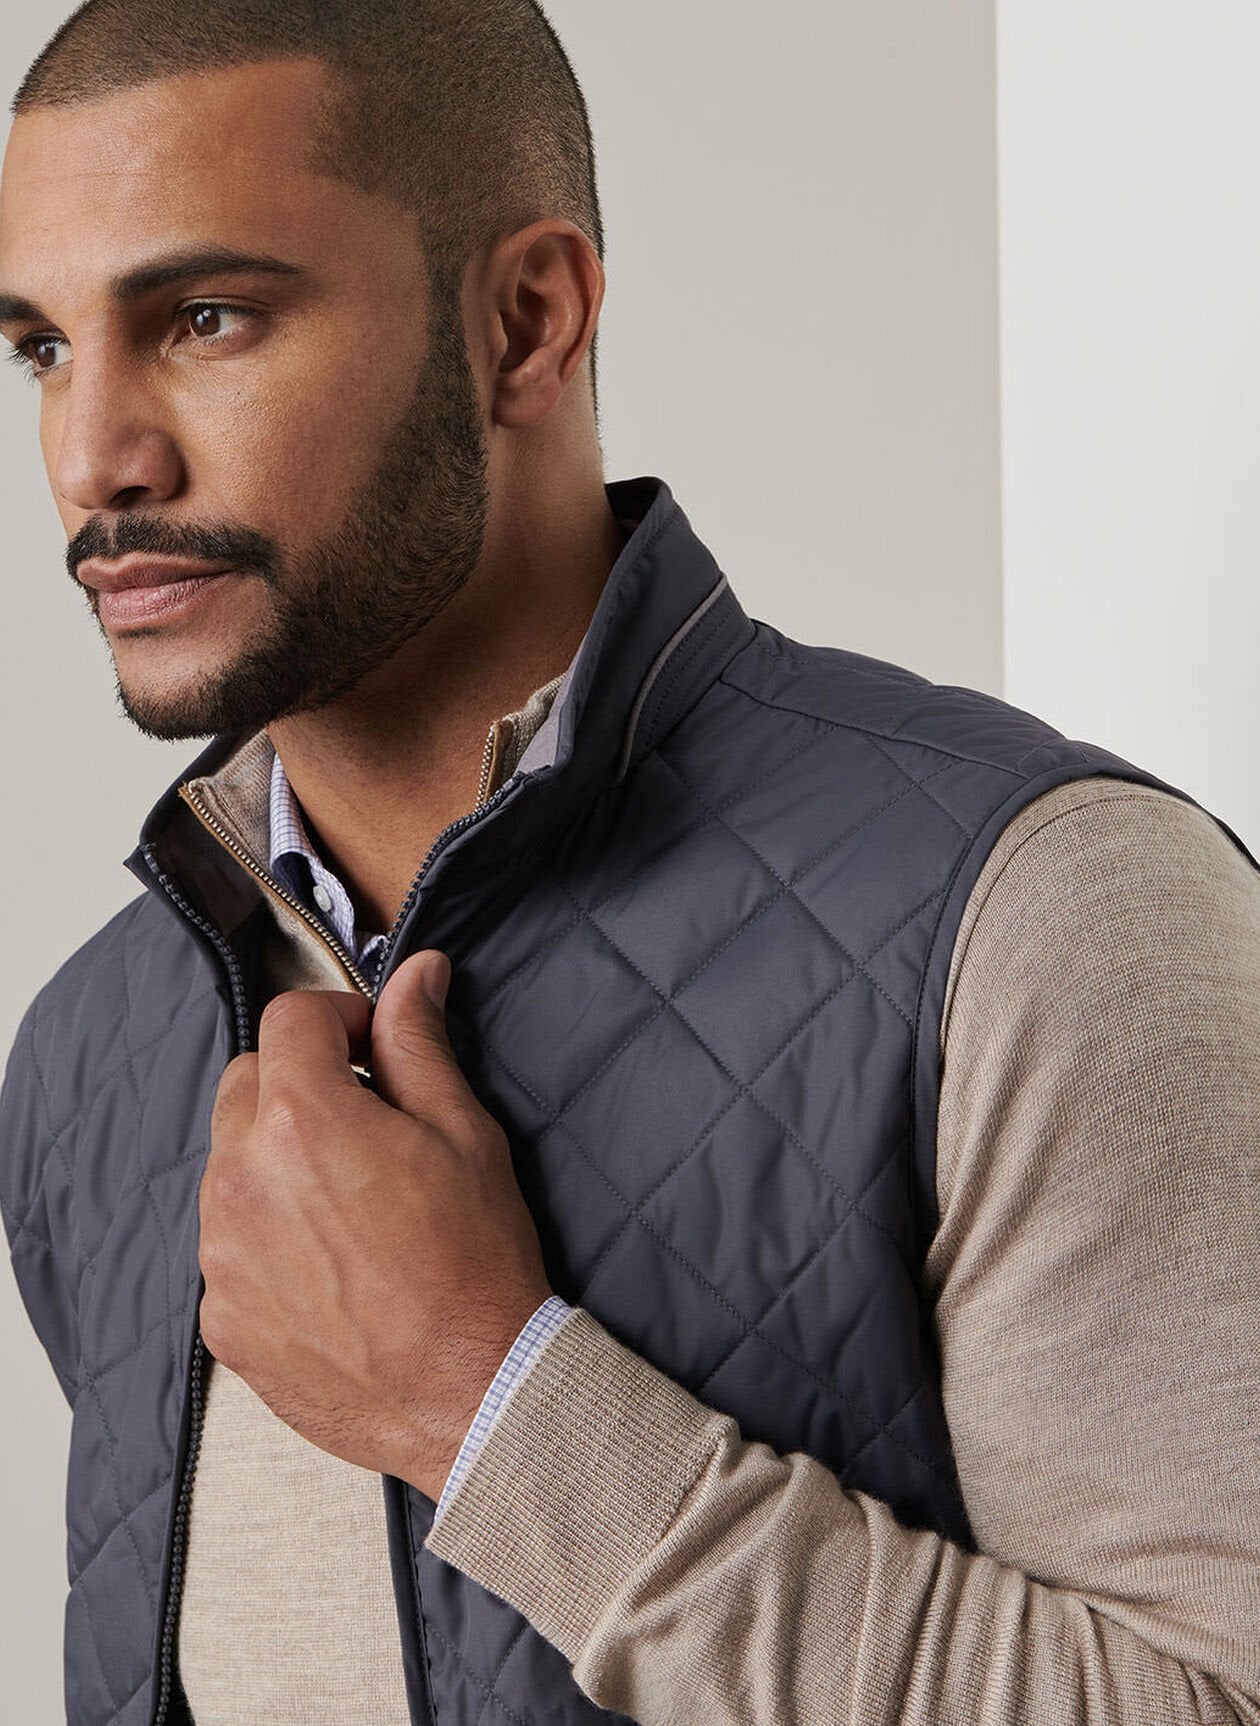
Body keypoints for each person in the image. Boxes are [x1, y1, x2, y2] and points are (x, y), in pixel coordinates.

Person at [1, 2, 1257, 1723]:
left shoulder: (1043, 912)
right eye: (41, 349)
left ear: (527, 321)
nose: (94, 459)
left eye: (205, 318)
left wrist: (494, 1407)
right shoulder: (88, 1056)